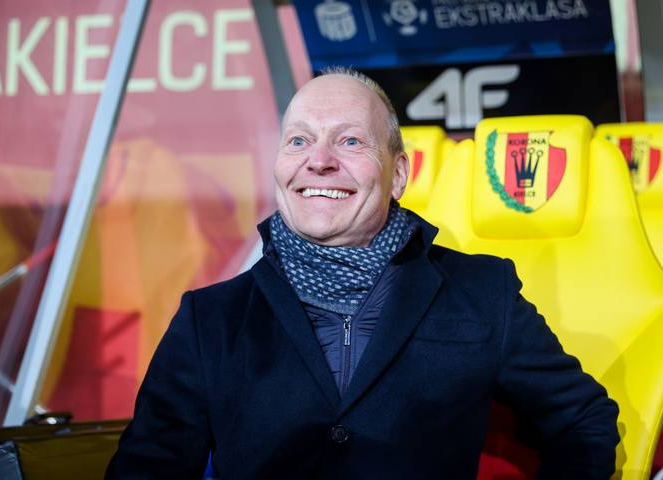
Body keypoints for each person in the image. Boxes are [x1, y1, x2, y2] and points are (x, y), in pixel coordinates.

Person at [106, 67, 619, 479]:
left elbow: (584, 422)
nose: (319, 161)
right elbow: (147, 467)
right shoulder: (209, 319)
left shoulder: (483, 293)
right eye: (299, 141)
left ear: (398, 174)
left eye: (350, 141)